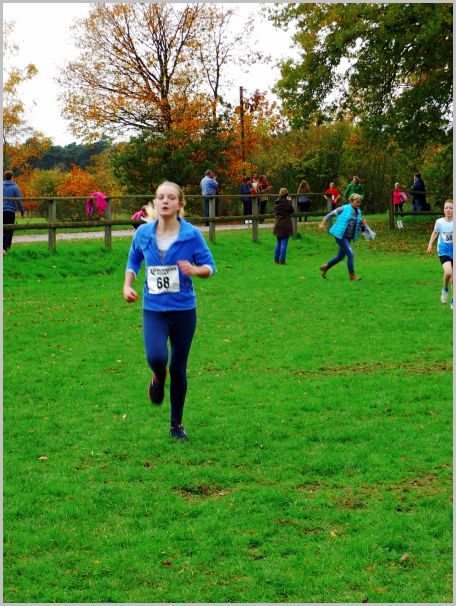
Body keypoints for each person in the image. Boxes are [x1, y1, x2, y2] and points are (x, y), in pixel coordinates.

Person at [123, 181, 216, 441]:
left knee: (178, 367)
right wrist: (127, 285)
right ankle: (157, 374)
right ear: (156, 201)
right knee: (156, 357)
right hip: (154, 309)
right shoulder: (143, 233)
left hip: (184, 310)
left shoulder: (191, 235)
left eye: (171, 197)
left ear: (180, 204)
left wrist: (195, 270)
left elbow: (210, 266)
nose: (165, 201)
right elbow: (133, 260)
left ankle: (176, 425)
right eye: (161, 197)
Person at [318, 193, 366, 281]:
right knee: (350, 254)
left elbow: (355, 223)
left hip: (349, 237)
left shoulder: (358, 211)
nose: (358, 204)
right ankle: (352, 276)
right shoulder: (344, 208)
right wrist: (322, 223)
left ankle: (326, 267)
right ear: (351, 201)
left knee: (340, 257)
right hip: (340, 236)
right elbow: (330, 214)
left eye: (359, 202)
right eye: (356, 202)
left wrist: (361, 222)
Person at [426, 199, 453, 310]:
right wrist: (430, 244)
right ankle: (445, 289)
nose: (448, 210)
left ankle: (453, 301)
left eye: (451, 208)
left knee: (454, 279)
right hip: (443, 251)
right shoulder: (439, 222)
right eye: (446, 208)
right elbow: (435, 233)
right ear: (443, 209)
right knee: (448, 272)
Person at [3, 170, 25, 256]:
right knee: (9, 230)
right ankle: (5, 248)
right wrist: (22, 211)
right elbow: (19, 201)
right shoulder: (15, 187)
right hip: (10, 211)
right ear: (12, 177)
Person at [273, 187, 294, 265]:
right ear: (286, 194)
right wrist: (289, 201)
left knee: (278, 242)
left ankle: (276, 259)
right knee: (284, 243)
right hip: (285, 224)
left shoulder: (276, 202)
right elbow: (292, 210)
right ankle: (282, 260)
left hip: (278, 223)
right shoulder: (287, 203)